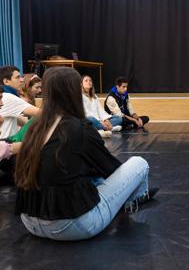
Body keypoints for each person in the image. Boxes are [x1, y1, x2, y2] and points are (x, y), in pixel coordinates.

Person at [15, 67, 158, 241]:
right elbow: (112, 170)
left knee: (87, 174)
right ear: (75, 92)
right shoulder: (79, 129)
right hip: (70, 226)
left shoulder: (35, 126)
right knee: (138, 164)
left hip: (30, 222)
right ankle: (133, 201)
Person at [0, 66, 40, 138]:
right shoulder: (8, 97)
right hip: (5, 145)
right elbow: (42, 113)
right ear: (6, 81)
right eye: (17, 77)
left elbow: (24, 122)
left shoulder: (5, 95)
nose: (22, 80)